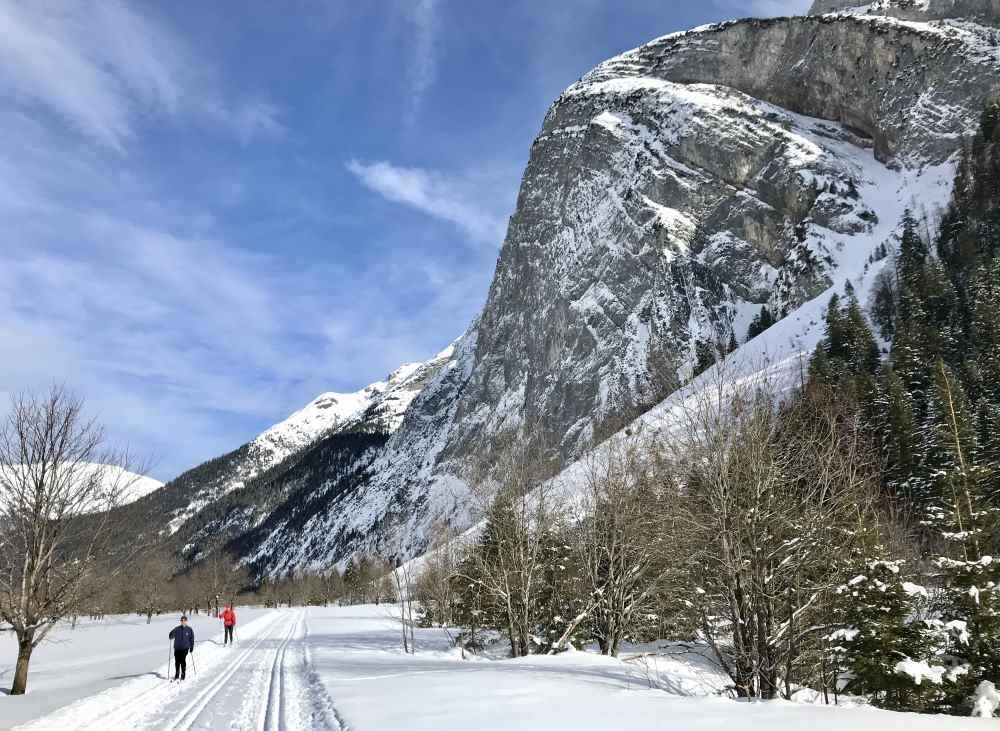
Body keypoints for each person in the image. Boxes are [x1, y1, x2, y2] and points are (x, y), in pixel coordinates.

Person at [168, 615, 195, 680]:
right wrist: (171, 634)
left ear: (186, 621)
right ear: (181, 621)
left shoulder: (189, 629)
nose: (183, 622)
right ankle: (177, 673)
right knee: (177, 661)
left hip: (185, 648)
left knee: (182, 660)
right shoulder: (177, 629)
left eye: (184, 620)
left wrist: (191, 647)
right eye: (182, 620)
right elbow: (171, 636)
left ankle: (183, 674)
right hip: (177, 647)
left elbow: (192, 639)